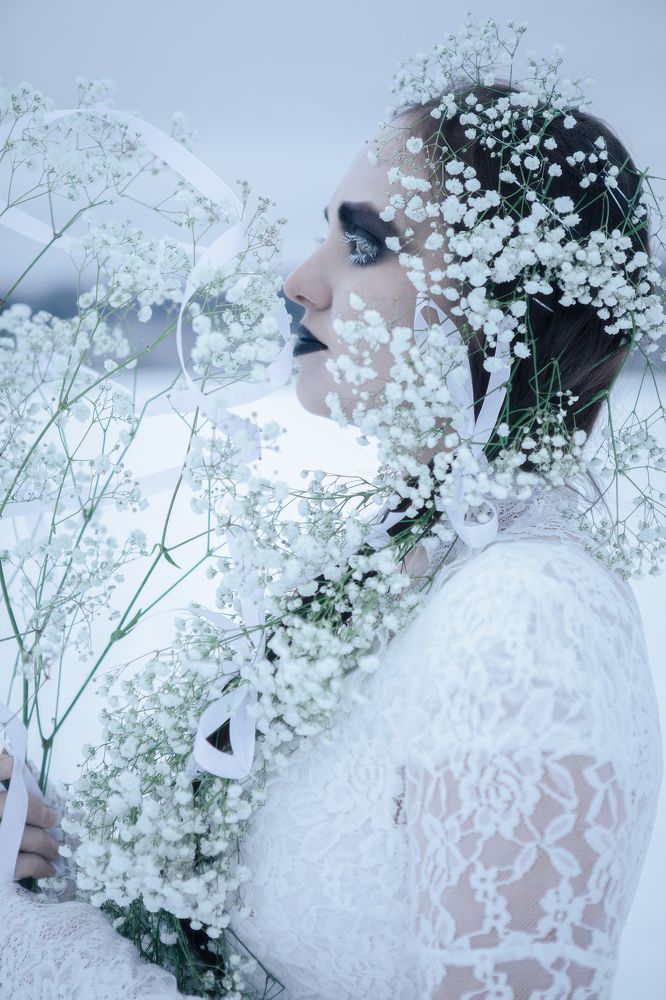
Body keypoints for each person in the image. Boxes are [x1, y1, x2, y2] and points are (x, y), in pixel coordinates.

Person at [1, 73, 663, 1000]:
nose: (300, 282)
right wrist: (53, 858)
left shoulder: (532, 615)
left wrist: (32, 948)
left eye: (362, 244)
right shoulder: (411, 565)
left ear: (504, 300)